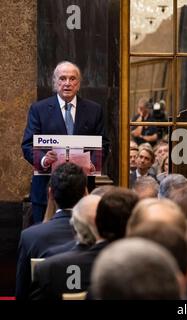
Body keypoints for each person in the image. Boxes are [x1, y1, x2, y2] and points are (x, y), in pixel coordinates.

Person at [21, 61, 109, 224]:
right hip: (47, 191)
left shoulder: (94, 110)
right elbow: (28, 145)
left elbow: (104, 144)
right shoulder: (38, 109)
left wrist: (93, 163)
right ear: (55, 82)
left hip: (82, 191)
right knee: (45, 238)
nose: (67, 83)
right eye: (62, 78)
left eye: (72, 78)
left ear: (78, 83)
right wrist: (43, 160)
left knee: (82, 238)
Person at [15, 163, 87, 300]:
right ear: (85, 193)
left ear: (50, 193)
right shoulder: (97, 237)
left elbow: (21, 293)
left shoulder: (30, 236)